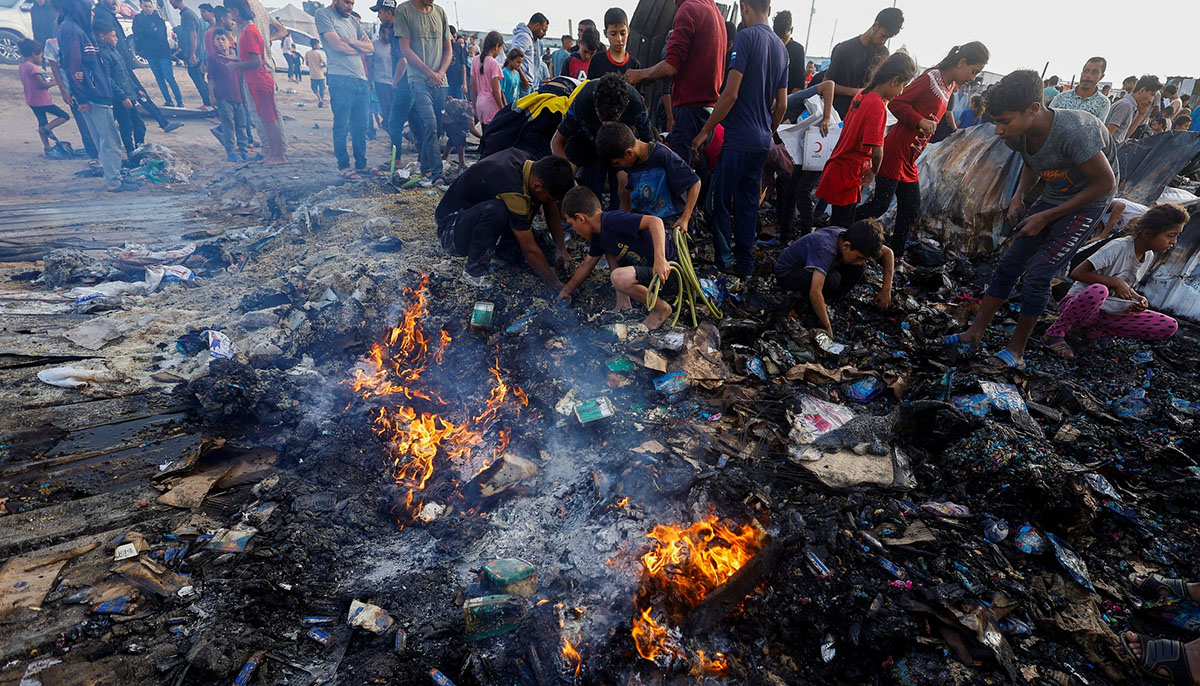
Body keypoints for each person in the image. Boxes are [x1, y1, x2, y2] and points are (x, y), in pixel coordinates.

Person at [944, 69, 1119, 370]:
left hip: (1088, 201)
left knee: (1038, 273)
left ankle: (1017, 351)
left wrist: (1047, 216)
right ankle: (974, 333)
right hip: (1054, 194)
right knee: (1009, 264)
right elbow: (1033, 162)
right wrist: (1019, 197)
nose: (998, 130)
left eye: (1004, 121)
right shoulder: (1018, 135)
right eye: (996, 121)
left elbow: (1105, 184)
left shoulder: (1076, 131)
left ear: (1033, 109)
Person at [858, 43, 989, 261]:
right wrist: (919, 120)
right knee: (880, 205)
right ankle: (844, 223)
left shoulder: (949, 87)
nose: (973, 77)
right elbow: (897, 103)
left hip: (909, 158)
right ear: (962, 62)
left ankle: (895, 254)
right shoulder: (931, 78)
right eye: (973, 71)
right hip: (895, 151)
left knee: (911, 206)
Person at [691, 0, 788, 276]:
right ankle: (745, 264)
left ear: (745, 7)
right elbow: (781, 105)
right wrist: (768, 131)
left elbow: (730, 94)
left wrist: (705, 130)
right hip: (761, 141)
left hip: (738, 140)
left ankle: (724, 262)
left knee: (716, 203)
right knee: (747, 204)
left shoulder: (746, 37)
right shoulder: (782, 48)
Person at [1043, 203, 1185, 358]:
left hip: (1107, 311)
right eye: (1171, 235)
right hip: (1079, 305)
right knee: (1099, 291)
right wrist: (1114, 283)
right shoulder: (1119, 246)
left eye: (1177, 236)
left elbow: (1124, 283)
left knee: (1169, 325)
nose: (1174, 242)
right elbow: (1077, 273)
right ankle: (1055, 333)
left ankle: (1097, 330)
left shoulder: (1149, 256)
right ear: (1148, 234)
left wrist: (1138, 299)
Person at [435, 149, 575, 290]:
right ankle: (473, 273)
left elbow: (549, 206)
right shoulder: (512, 186)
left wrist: (561, 248)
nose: (549, 202)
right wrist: (555, 284)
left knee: (530, 201)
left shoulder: (532, 166)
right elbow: (529, 249)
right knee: (497, 211)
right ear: (538, 185)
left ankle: (504, 253)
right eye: (550, 197)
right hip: (451, 231)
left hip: (471, 216)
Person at [815, 52, 917, 229]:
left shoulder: (861, 95)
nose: (901, 92)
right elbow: (878, 151)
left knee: (836, 223)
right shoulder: (877, 106)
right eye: (903, 86)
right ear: (894, 80)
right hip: (849, 174)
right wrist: (873, 172)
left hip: (837, 167)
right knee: (840, 229)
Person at [558, 186, 676, 329]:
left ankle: (660, 309)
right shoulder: (599, 237)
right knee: (610, 252)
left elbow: (655, 222)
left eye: (572, 225)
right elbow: (585, 267)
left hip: (668, 274)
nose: (575, 231)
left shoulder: (613, 220)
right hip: (650, 277)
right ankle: (623, 303)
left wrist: (660, 260)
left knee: (618, 276)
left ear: (580, 218)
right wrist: (566, 290)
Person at [625, 0, 726, 166]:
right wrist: (651, 76)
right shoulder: (714, 12)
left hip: (690, 112)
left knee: (679, 177)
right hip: (708, 113)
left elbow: (671, 65)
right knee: (693, 176)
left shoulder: (688, 9)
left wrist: (641, 74)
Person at [58, 0, 135, 191]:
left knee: (103, 139)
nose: (92, 15)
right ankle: (114, 182)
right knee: (109, 139)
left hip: (92, 94)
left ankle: (113, 176)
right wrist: (82, 97)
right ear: (79, 10)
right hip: (94, 96)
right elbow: (73, 66)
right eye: (89, 11)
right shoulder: (74, 32)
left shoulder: (76, 29)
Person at [774, 219, 894, 336]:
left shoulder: (851, 238)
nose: (860, 261)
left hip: (811, 268)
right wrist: (827, 327)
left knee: (859, 268)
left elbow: (888, 253)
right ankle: (801, 297)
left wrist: (886, 290)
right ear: (846, 246)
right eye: (858, 257)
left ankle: (827, 300)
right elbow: (815, 292)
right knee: (833, 279)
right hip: (788, 274)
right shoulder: (826, 248)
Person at [552, 73, 651, 208]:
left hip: (621, 146)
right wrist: (568, 178)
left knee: (623, 187)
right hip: (587, 141)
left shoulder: (636, 105)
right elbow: (556, 141)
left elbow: (649, 146)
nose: (605, 124)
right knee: (583, 186)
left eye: (612, 120)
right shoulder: (582, 101)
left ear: (624, 108)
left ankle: (619, 220)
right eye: (602, 119)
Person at [597, 121, 702, 233]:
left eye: (617, 163)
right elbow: (626, 196)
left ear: (629, 153)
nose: (619, 167)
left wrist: (685, 218)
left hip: (668, 221)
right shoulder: (632, 164)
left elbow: (695, 183)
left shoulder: (662, 155)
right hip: (644, 221)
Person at [395, 0, 452, 183]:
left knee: (437, 129)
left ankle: (424, 166)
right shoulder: (404, 10)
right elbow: (405, 48)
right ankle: (437, 174)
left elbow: (448, 49)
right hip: (419, 80)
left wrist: (440, 73)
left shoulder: (440, 12)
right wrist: (430, 73)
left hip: (440, 81)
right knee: (430, 124)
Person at [316, 0, 373, 177]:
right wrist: (359, 46)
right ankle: (344, 166)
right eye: (347, 2)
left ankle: (361, 164)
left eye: (352, 3)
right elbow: (336, 46)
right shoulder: (323, 14)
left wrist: (349, 41)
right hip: (340, 79)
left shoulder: (353, 21)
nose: (350, 6)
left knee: (361, 126)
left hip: (360, 79)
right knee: (342, 125)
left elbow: (371, 48)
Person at [225, 0, 286, 163]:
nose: (230, 18)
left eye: (230, 13)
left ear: (235, 12)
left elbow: (257, 61)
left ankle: (278, 155)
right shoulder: (248, 29)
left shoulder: (249, 31)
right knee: (265, 119)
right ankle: (271, 153)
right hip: (256, 80)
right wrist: (237, 59)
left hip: (260, 80)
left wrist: (236, 65)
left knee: (270, 119)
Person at [822, 7, 904, 118]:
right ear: (875, 26)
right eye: (883, 35)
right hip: (836, 116)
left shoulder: (883, 54)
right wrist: (855, 92)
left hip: (862, 115)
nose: (884, 41)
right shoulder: (844, 48)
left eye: (888, 38)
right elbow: (825, 85)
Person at [43, 25, 100, 162]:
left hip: (93, 90)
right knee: (84, 125)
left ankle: (101, 152)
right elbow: (55, 69)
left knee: (98, 124)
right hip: (73, 92)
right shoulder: (53, 44)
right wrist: (63, 91)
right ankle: (94, 156)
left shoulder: (84, 39)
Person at [95, 20, 146, 159]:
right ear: (102, 36)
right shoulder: (103, 55)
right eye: (112, 36)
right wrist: (122, 96)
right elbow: (108, 79)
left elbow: (123, 73)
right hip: (120, 98)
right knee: (126, 127)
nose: (115, 39)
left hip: (129, 94)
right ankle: (131, 153)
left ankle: (139, 149)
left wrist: (135, 89)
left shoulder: (113, 51)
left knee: (140, 126)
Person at [19, 39, 69, 155]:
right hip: (42, 100)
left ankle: (47, 147)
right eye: (41, 56)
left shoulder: (22, 65)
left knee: (41, 121)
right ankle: (47, 129)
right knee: (64, 116)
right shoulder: (33, 68)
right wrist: (57, 81)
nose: (41, 59)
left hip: (31, 100)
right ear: (33, 54)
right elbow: (42, 85)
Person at [208, 28, 250, 160]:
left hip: (239, 96)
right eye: (218, 40)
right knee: (228, 125)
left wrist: (246, 95)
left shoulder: (237, 58)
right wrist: (212, 96)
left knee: (242, 124)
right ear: (214, 42)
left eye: (223, 39)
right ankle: (230, 151)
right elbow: (210, 78)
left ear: (229, 41)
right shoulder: (213, 59)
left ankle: (244, 150)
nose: (221, 42)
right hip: (223, 97)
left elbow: (243, 77)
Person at [133, 0, 183, 107]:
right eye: (146, 6)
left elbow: (159, 35)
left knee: (169, 77)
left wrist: (146, 32)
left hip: (163, 53)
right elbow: (137, 34)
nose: (148, 9)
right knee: (159, 79)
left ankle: (179, 101)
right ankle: (168, 101)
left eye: (150, 7)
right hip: (150, 54)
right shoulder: (138, 19)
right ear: (141, 6)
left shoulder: (158, 19)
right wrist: (149, 32)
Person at [170, 0, 211, 106]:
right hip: (195, 52)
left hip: (195, 54)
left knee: (198, 78)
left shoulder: (187, 15)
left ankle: (208, 104)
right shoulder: (187, 13)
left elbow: (193, 35)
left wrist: (192, 54)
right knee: (199, 79)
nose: (170, 3)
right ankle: (209, 102)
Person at [1105, 74, 1161, 144]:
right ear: (1142, 90)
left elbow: (1126, 135)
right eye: (1152, 94)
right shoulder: (1125, 106)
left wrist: (1141, 114)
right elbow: (1107, 136)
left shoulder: (1132, 107)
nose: (1152, 99)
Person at [588, 8, 640, 79]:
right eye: (613, 34)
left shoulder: (634, 65)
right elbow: (589, 87)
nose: (619, 39)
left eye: (623, 33)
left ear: (628, 31)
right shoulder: (597, 61)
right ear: (605, 33)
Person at [469, 30, 505, 126]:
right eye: (500, 48)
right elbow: (496, 91)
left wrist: (474, 105)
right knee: (493, 138)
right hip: (492, 106)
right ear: (497, 46)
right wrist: (502, 110)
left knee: (485, 137)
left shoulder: (475, 60)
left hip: (480, 104)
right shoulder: (494, 64)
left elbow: (472, 86)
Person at [370, 0, 395, 132]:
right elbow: (370, 64)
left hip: (395, 81)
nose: (378, 16)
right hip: (381, 81)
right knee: (387, 108)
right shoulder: (374, 45)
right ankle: (389, 128)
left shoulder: (397, 43)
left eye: (379, 12)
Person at [511, 13, 549, 97]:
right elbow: (513, 57)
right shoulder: (524, 37)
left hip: (532, 85)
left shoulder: (538, 42)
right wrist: (523, 78)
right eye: (543, 30)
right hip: (523, 84)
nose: (544, 34)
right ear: (537, 25)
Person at [772, 10, 805, 95]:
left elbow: (799, 85)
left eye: (784, 38)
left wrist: (785, 102)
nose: (781, 41)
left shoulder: (798, 50)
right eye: (778, 37)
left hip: (788, 99)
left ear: (791, 30)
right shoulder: (768, 46)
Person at [442, 96, 475, 170]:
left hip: (449, 116)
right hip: (448, 118)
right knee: (460, 138)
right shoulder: (471, 109)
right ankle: (462, 164)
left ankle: (444, 157)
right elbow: (472, 128)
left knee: (452, 138)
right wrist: (482, 137)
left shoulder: (469, 106)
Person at [445, 25, 467, 100]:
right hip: (447, 82)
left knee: (459, 105)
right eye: (452, 37)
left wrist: (464, 83)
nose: (454, 40)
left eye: (455, 37)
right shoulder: (443, 47)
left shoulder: (458, 47)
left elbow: (463, 65)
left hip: (458, 82)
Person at [305, 39, 327, 107]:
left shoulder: (308, 53)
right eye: (317, 44)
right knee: (322, 89)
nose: (318, 46)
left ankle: (319, 98)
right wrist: (321, 66)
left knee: (314, 88)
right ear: (314, 45)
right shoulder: (318, 53)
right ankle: (321, 100)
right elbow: (324, 63)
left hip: (312, 75)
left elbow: (307, 63)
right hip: (320, 75)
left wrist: (312, 66)